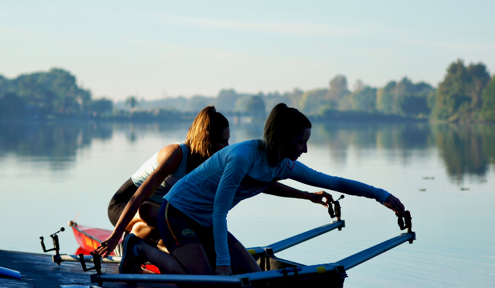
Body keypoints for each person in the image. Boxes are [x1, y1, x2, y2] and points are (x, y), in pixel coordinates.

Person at [115, 103, 406, 277]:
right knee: (202, 279)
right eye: (301, 142)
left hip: (205, 221)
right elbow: (219, 210)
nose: (305, 149)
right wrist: (224, 264)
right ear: (282, 139)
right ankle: (137, 248)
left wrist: (382, 195)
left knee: (256, 277)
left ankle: (198, 260)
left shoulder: (283, 166)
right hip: (177, 212)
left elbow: (335, 182)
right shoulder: (242, 157)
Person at [95, 106, 230, 259]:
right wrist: (115, 235)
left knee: (184, 223)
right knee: (170, 218)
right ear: (208, 139)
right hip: (125, 206)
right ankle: (124, 242)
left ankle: (139, 242)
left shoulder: (208, 163)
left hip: (159, 209)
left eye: (228, 141)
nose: (227, 147)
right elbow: (138, 197)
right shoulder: (176, 154)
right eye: (223, 141)